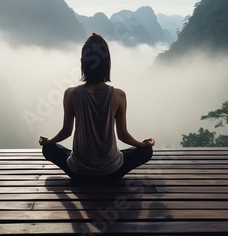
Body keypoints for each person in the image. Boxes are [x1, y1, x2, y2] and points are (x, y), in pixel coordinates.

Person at [39, 33, 155, 182]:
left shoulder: (71, 94)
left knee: (49, 150)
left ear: (82, 62)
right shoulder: (119, 95)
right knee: (146, 152)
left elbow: (66, 131)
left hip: (79, 172)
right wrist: (142, 144)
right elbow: (123, 135)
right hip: (111, 172)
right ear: (107, 63)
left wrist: (48, 142)